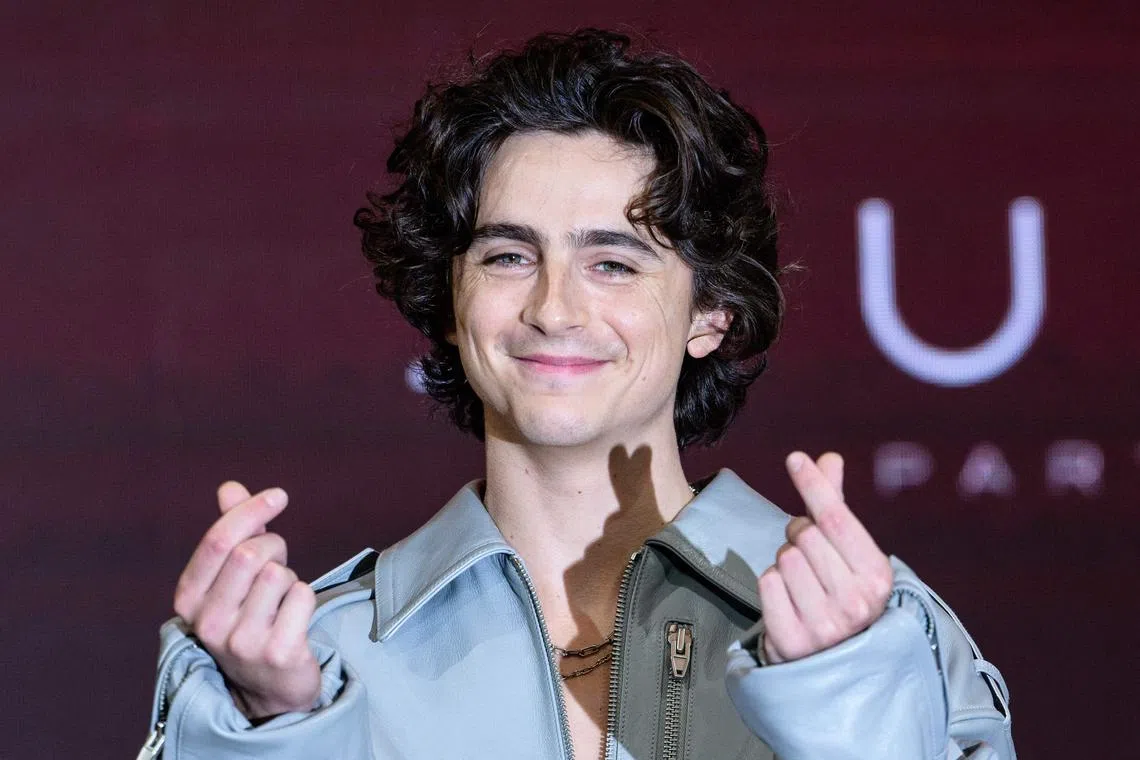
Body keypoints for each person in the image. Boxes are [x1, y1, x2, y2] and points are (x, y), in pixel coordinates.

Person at [141, 29, 1015, 760]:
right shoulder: (300, 662)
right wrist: (277, 730)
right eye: (508, 256)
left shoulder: (878, 634)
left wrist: (845, 698)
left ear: (710, 311)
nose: (554, 307)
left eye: (613, 263)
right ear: (449, 303)